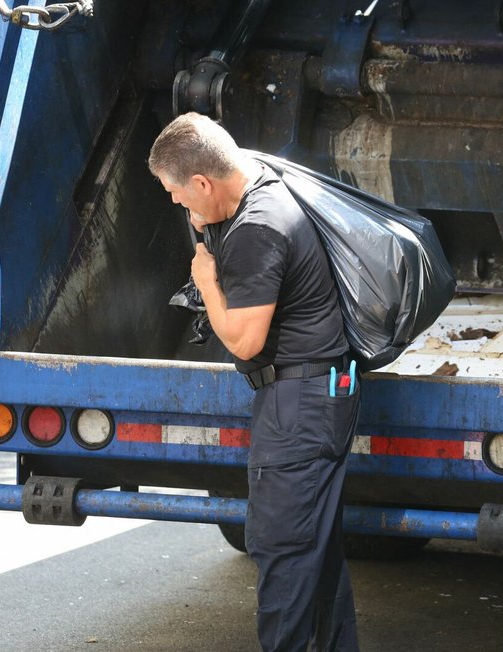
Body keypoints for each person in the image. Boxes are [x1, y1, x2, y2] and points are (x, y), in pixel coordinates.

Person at [148, 112, 360, 652]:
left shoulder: (256, 230)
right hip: (319, 394)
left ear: (203, 182)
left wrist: (207, 283)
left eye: (177, 192)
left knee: (284, 552)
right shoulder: (262, 182)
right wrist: (207, 223)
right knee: (316, 555)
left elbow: (243, 341)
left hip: (297, 406)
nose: (176, 203)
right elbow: (215, 212)